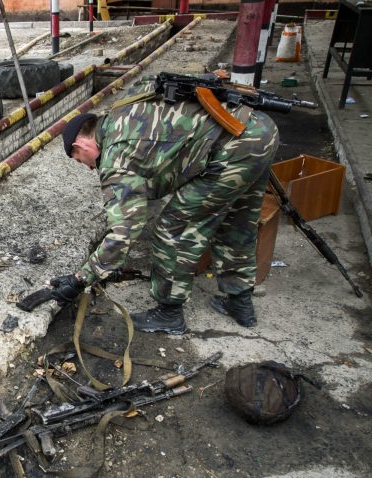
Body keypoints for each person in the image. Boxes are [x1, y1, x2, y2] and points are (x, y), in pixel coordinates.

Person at [49, 79, 279, 334]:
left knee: (172, 230)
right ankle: (240, 303)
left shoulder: (116, 156)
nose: (91, 168)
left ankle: (169, 314)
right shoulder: (124, 109)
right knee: (238, 221)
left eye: (82, 161)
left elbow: (124, 231)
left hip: (231, 148)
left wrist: (80, 279)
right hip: (260, 131)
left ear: (81, 146)